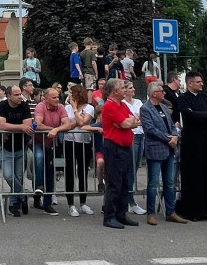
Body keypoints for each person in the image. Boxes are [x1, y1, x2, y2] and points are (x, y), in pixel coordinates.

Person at [175, 72, 207, 222]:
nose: (201, 84)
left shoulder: (205, 97)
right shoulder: (183, 98)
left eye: (201, 81)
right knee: (194, 175)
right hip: (192, 142)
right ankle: (194, 211)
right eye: (198, 82)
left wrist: (204, 115)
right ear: (190, 83)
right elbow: (188, 116)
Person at [140, 82, 184, 225]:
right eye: (161, 91)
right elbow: (150, 128)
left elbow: (171, 125)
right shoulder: (145, 109)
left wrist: (175, 136)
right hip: (156, 148)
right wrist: (168, 138)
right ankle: (151, 213)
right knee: (153, 183)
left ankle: (170, 212)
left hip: (169, 149)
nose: (164, 93)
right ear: (154, 93)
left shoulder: (164, 107)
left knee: (169, 182)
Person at [100, 78, 140, 229]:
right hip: (114, 147)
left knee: (125, 183)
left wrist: (126, 123)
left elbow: (134, 120)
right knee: (114, 183)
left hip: (124, 147)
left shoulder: (122, 104)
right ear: (115, 91)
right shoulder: (109, 106)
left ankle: (121, 214)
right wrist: (126, 123)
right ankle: (109, 216)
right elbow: (126, 123)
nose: (125, 90)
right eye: (123, 88)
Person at [0, 85, 33, 217]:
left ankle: (13, 204)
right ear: (9, 96)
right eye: (16, 95)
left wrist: (14, 127)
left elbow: (28, 125)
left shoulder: (24, 106)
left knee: (18, 176)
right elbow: (2, 125)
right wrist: (21, 127)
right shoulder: (2, 106)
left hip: (21, 147)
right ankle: (22, 194)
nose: (19, 97)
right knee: (8, 175)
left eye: (20, 94)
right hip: (6, 147)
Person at [33, 86, 69, 216]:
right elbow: (38, 124)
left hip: (53, 144)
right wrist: (52, 129)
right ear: (46, 99)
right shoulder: (40, 107)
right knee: (39, 158)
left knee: (50, 172)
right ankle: (39, 186)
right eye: (54, 97)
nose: (57, 99)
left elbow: (67, 124)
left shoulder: (61, 107)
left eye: (58, 97)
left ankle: (47, 204)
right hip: (39, 142)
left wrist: (56, 130)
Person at [62, 84, 94, 217]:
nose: (70, 96)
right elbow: (66, 124)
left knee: (82, 172)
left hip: (84, 142)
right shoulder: (66, 108)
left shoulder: (89, 108)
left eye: (72, 93)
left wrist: (75, 109)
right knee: (70, 172)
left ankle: (83, 202)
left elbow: (83, 123)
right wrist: (77, 118)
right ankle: (71, 204)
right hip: (69, 141)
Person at [122, 81, 146, 215]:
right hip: (131, 135)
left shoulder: (138, 102)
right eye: (130, 88)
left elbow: (142, 118)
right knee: (130, 168)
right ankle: (129, 200)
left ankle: (129, 198)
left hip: (140, 134)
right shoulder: (123, 104)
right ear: (125, 90)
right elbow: (129, 120)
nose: (134, 89)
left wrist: (135, 120)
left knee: (136, 166)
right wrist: (134, 120)